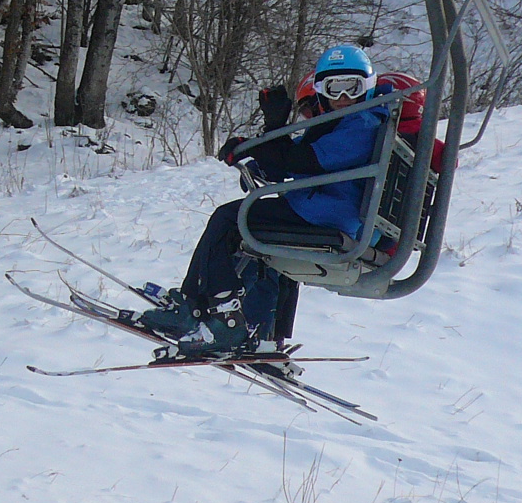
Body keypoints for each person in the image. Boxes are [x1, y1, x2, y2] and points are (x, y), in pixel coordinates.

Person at [138, 44, 390, 357]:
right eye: (333, 88)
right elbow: (286, 164)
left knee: (230, 219)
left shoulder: (361, 124)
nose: (342, 97)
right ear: (321, 91)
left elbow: (303, 160)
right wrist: (256, 149)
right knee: (253, 238)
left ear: (367, 86)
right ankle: (261, 332)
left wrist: (271, 133)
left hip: (326, 214)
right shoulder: (350, 122)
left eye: (351, 87)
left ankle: (205, 311)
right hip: (325, 208)